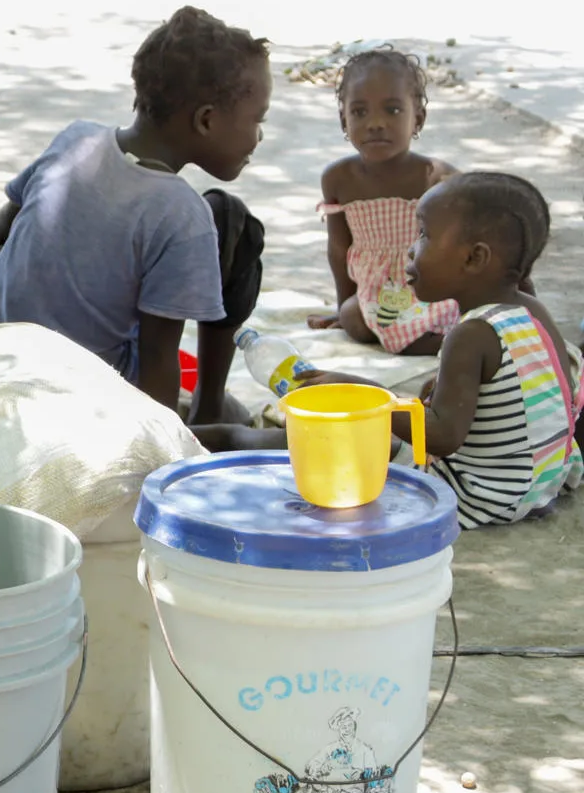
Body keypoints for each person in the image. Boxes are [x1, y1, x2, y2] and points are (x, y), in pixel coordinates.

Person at [0, 6, 272, 422]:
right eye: (258, 120)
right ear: (206, 120)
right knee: (231, 221)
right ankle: (208, 409)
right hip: (75, 390)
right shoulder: (183, 216)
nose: (259, 136)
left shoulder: (76, 138)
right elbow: (157, 361)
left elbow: (4, 236)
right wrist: (160, 454)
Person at [201, 173, 582, 527]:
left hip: (476, 496)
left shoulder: (471, 334)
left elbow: (441, 438)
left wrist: (366, 397)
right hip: (540, 484)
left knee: (336, 443)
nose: (410, 251)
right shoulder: (531, 310)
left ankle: (221, 440)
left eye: (423, 235)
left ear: (474, 258)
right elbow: (556, 394)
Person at [305, 47, 461, 355]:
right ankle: (419, 339)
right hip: (376, 295)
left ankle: (448, 343)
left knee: (445, 314)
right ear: (343, 120)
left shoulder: (438, 178)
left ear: (418, 118)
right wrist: (342, 306)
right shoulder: (338, 178)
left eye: (391, 110)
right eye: (359, 112)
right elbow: (339, 249)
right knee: (352, 315)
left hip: (426, 290)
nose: (375, 123)